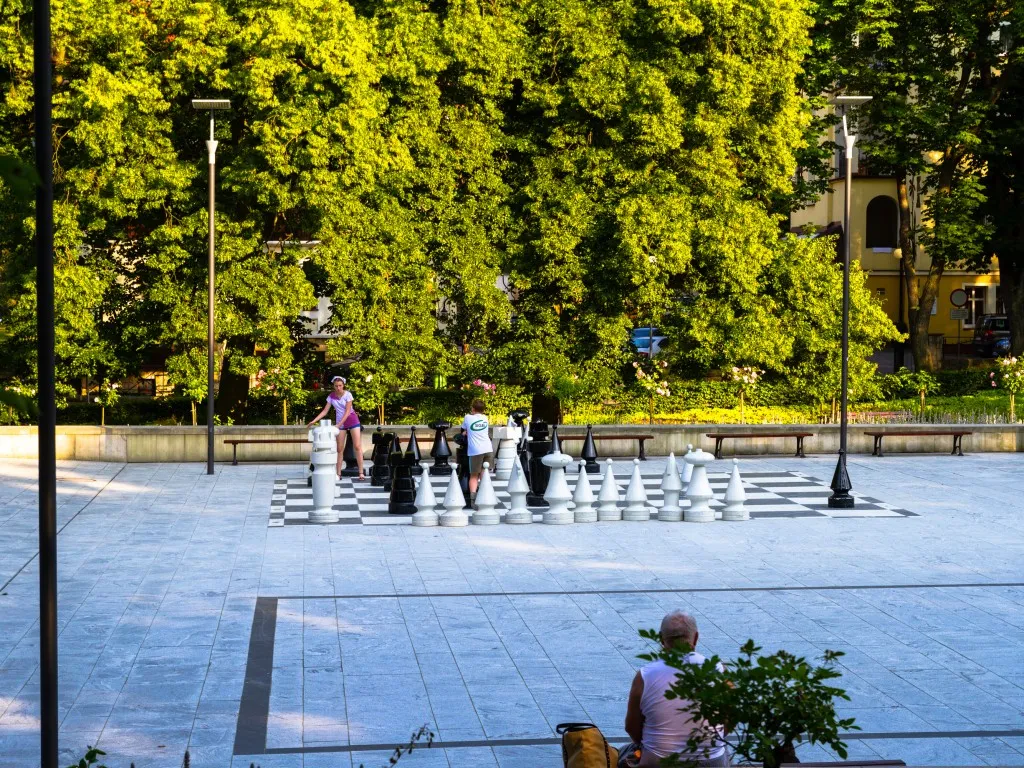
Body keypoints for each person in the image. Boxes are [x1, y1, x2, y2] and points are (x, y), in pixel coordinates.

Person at [624, 611, 728, 767]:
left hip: (659, 760)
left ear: (661, 639)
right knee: (724, 751)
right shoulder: (719, 671)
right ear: (696, 637)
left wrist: (653, 745)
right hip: (711, 760)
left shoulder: (644, 676)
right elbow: (730, 720)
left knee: (626, 754)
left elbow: (631, 727)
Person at [307, 376, 365, 480]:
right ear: (333, 386)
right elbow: (325, 411)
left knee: (357, 446)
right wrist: (314, 421)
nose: (338, 388)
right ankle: (338, 474)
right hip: (340, 423)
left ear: (343, 385)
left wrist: (338, 425)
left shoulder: (348, 395)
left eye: (340, 385)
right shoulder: (331, 396)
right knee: (339, 449)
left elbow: (347, 411)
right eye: (336, 386)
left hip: (352, 420)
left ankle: (361, 472)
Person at [460, 398, 492, 506]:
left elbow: (463, 430)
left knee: (474, 475)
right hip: (488, 449)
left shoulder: (468, 417)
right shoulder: (485, 418)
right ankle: (485, 497)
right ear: (483, 410)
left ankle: (473, 501)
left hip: (475, 451)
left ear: (473, 409)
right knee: (484, 474)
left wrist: (466, 432)